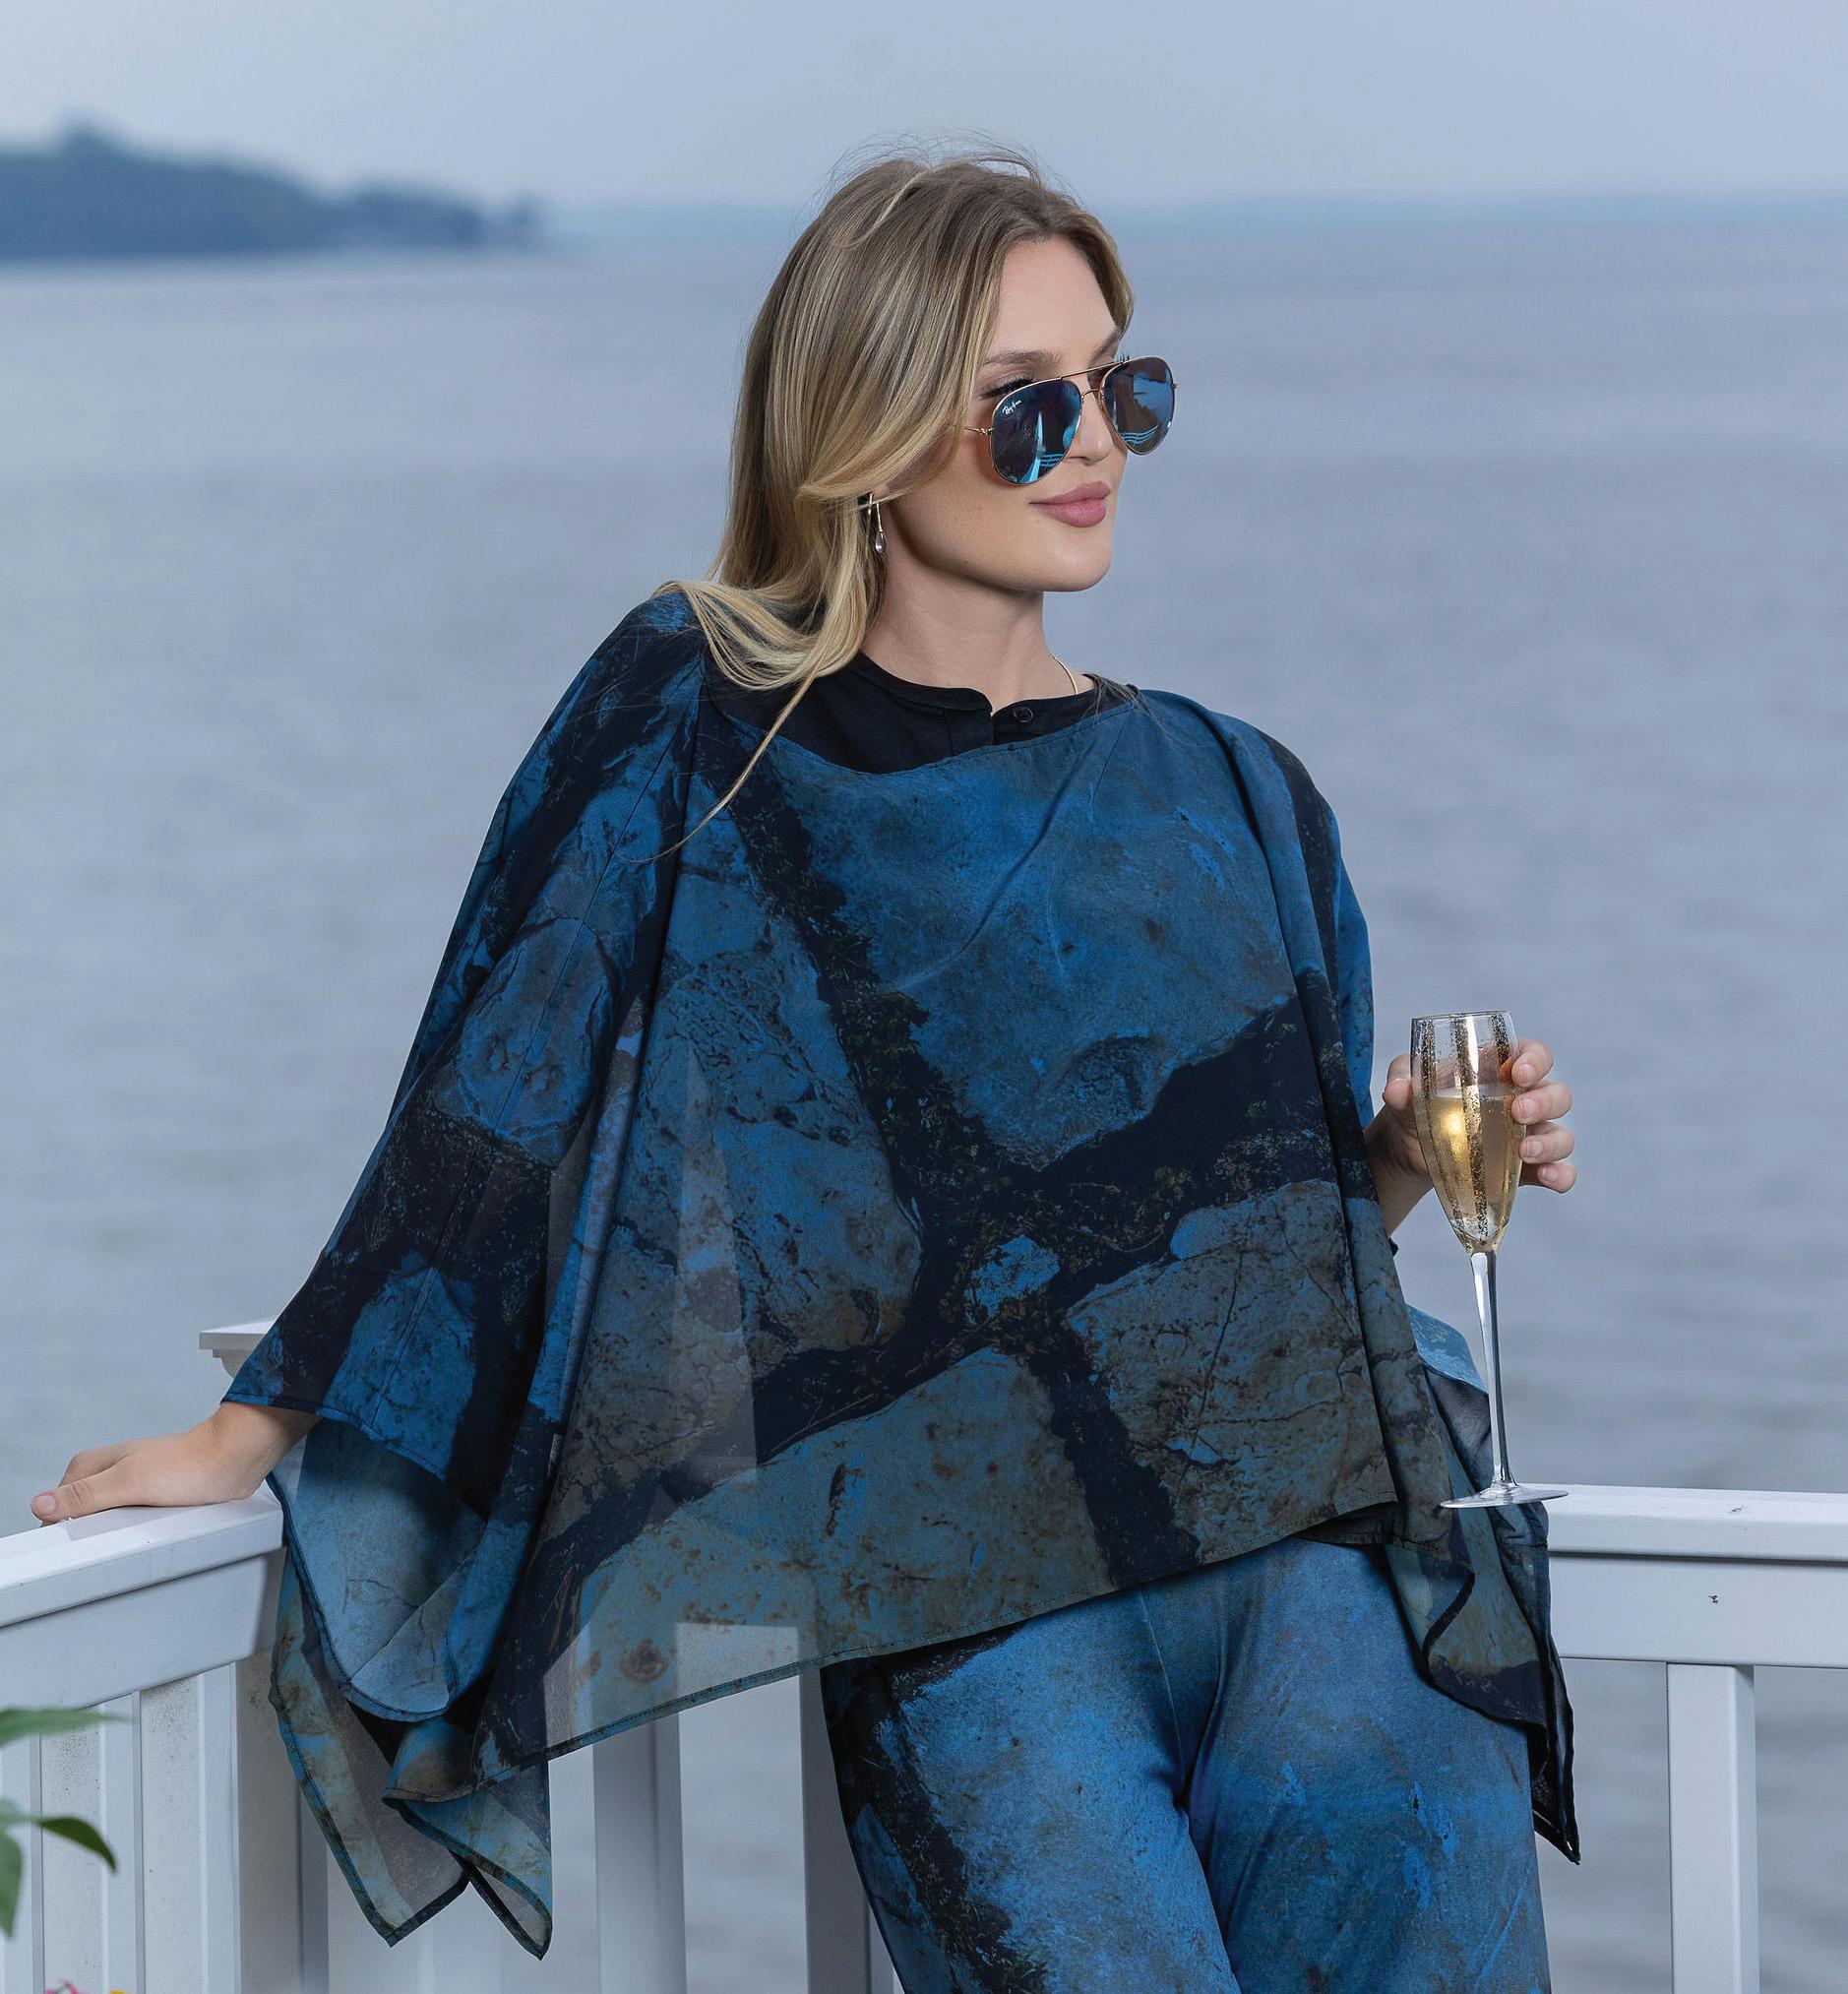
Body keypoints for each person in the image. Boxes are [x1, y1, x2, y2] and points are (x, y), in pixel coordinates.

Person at [31, 144, 1580, 1988]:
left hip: (1335, 1592)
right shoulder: (699, 724)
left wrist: (1393, 1159)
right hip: (972, 1624)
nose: (1093, 442)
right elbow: (495, 1103)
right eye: (1026, 403)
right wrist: (255, 1427)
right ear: (863, 428)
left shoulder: (1239, 791)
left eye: (1123, 387)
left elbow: (1262, 1256)